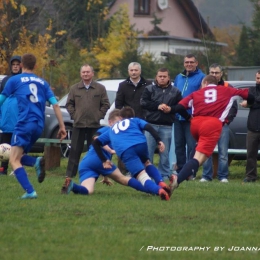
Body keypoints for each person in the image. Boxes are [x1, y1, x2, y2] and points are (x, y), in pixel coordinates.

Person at [169, 75, 254, 193]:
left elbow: (179, 107)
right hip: (212, 125)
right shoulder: (226, 90)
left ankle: (183, 175)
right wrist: (248, 103)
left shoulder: (197, 93)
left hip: (195, 124)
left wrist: (187, 117)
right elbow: (249, 95)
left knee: (197, 151)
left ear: (204, 83)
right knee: (199, 159)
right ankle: (178, 179)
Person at [0, 53, 67, 199]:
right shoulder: (43, 82)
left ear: (22, 65)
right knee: (18, 155)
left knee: (14, 160)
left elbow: (1, 100)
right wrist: (62, 127)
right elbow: (55, 104)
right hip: (39, 125)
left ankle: (30, 191)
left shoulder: (14, 80)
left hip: (24, 123)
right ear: (36, 66)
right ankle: (35, 161)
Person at [61, 109, 151, 196]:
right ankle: (152, 190)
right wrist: (110, 150)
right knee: (123, 178)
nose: (120, 125)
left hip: (86, 163)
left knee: (88, 190)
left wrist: (105, 175)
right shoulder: (108, 130)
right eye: (118, 122)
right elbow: (96, 139)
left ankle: (72, 185)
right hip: (97, 159)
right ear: (110, 122)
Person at [92, 107, 173, 200]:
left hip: (126, 150)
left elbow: (95, 142)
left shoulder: (112, 129)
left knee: (141, 176)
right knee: (147, 163)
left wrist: (104, 160)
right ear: (132, 116)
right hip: (140, 144)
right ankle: (160, 182)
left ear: (121, 117)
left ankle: (159, 191)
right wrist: (158, 140)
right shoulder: (135, 120)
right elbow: (148, 127)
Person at [65, 64, 110, 178]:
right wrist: (74, 115)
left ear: (92, 73)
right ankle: (69, 176)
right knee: (74, 151)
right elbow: (69, 104)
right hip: (78, 125)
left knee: (94, 151)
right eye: (83, 72)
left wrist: (99, 115)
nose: (85, 74)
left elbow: (106, 104)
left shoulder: (100, 88)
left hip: (94, 125)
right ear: (81, 74)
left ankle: (93, 174)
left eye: (88, 72)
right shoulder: (74, 88)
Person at [140, 68, 182, 180]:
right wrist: (157, 106)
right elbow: (143, 103)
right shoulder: (149, 89)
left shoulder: (175, 91)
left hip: (166, 126)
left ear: (169, 77)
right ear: (156, 77)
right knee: (148, 152)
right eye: (160, 76)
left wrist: (170, 109)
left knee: (165, 153)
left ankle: (164, 174)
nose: (162, 78)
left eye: (164, 76)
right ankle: (147, 174)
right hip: (151, 125)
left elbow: (180, 106)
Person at [200, 64, 238, 183]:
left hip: (222, 125)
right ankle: (206, 176)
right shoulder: (204, 87)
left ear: (221, 74)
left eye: (216, 73)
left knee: (223, 152)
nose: (214, 75)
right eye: (212, 73)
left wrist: (227, 120)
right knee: (206, 151)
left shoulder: (227, 87)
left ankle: (223, 176)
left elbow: (233, 106)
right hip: (208, 125)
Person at [115, 62, 152, 174]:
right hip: (126, 123)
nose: (134, 72)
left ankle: (142, 170)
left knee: (142, 146)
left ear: (140, 71)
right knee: (126, 146)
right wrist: (121, 118)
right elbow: (118, 104)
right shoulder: (122, 85)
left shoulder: (149, 84)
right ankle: (124, 171)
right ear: (128, 71)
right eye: (131, 70)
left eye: (136, 70)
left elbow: (152, 101)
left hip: (143, 121)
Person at [174, 54, 205, 178]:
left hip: (192, 118)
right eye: (187, 62)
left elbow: (202, 97)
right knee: (178, 145)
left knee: (191, 146)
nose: (189, 64)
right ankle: (180, 171)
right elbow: (175, 94)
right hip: (178, 117)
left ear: (196, 63)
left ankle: (190, 172)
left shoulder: (201, 77)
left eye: (191, 62)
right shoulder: (178, 77)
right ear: (184, 63)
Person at [0, 55, 22, 175]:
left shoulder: (23, 80)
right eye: (13, 65)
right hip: (5, 123)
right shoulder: (5, 80)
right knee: (4, 148)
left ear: (21, 66)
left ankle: (17, 169)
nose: (15, 67)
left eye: (17, 65)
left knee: (17, 148)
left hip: (18, 123)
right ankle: (3, 169)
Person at [241, 70, 260, 183]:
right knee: (250, 154)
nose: (259, 80)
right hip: (252, 127)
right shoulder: (251, 89)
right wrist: (251, 103)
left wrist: (251, 103)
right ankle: (250, 176)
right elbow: (249, 100)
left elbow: (250, 102)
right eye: (257, 78)